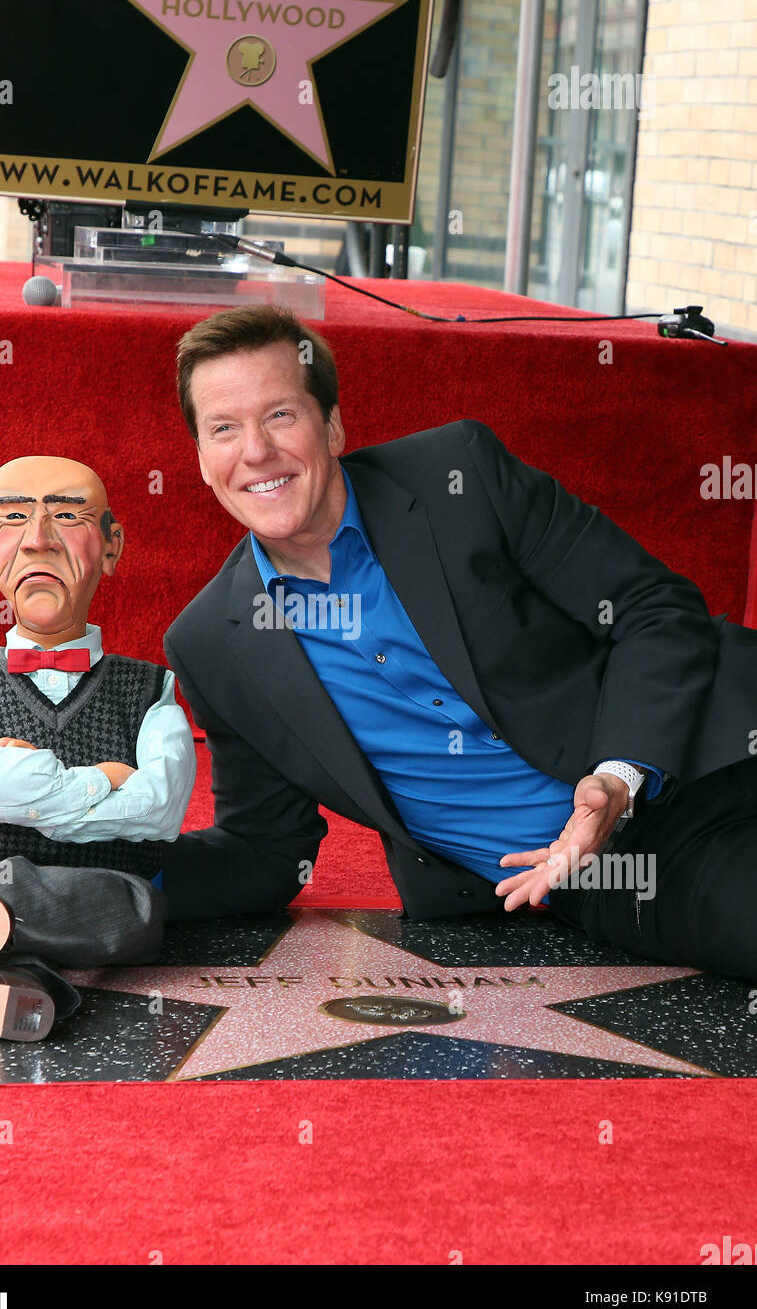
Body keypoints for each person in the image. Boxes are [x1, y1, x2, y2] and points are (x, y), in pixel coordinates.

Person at [157, 304, 757, 981]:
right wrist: (92, 869)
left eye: (280, 416)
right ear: (203, 460)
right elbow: (260, 850)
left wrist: (618, 775)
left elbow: (652, 606)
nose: (256, 451)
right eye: (223, 429)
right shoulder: (211, 645)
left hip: (722, 728)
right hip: (639, 867)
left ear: (331, 426)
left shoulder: (458, 475)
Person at [0, 456, 195, 1041]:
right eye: (14, 517)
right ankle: (5, 972)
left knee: (138, 914)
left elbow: (162, 808)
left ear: (111, 544)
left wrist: (28, 777)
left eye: (69, 515)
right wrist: (104, 776)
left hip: (105, 895)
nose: (38, 540)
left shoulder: (153, 687)